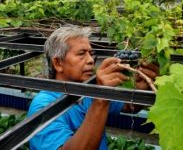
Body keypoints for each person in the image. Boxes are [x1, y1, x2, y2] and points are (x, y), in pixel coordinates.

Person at [27, 25, 158, 150]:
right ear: (58, 63)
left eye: (91, 53)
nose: (90, 60)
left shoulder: (88, 90)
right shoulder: (43, 106)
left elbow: (130, 107)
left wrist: (142, 88)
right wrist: (101, 98)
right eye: (81, 53)